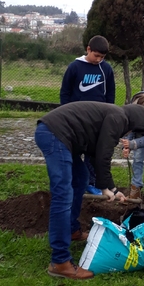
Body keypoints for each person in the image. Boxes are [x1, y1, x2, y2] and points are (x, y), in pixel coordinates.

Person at [34, 99, 144, 280]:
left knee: (80, 178)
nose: (129, 133)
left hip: (59, 134)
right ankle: (60, 261)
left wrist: (111, 189)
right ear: (134, 122)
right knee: (63, 194)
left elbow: (94, 154)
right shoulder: (118, 118)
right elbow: (103, 156)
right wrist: (105, 188)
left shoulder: (115, 115)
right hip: (56, 133)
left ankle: (71, 230)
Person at [59, 35, 116, 195]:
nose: (98, 59)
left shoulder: (106, 69)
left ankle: (91, 182)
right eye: (96, 55)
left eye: (102, 57)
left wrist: (109, 113)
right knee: (75, 152)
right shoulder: (75, 67)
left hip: (98, 121)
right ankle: (74, 181)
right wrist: (66, 114)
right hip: (77, 120)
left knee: (93, 154)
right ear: (88, 49)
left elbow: (110, 93)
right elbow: (65, 92)